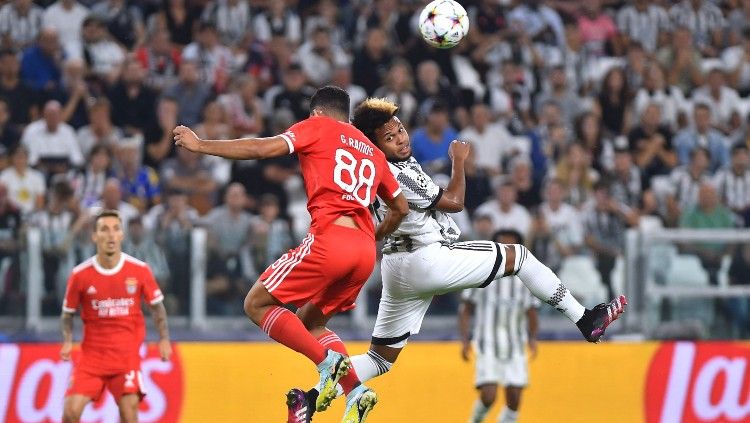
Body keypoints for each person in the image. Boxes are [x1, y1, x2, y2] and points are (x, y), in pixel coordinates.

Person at [287, 98, 627, 423]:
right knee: (519, 256)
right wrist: (459, 160)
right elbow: (454, 201)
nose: (401, 140)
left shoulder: (373, 166)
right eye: (389, 138)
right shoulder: (396, 172)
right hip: (426, 258)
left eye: (401, 130)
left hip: (396, 266)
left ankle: (310, 398)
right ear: (376, 146)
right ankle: (584, 318)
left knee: (380, 359)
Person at [172, 86, 408, 423]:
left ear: (317, 113)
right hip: (363, 252)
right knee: (309, 323)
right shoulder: (372, 150)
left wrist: (201, 145)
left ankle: (328, 364)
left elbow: (261, 147)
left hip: (330, 240)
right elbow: (400, 207)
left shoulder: (317, 126)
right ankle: (355, 391)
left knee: (256, 304)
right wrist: (373, 236)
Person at [60, 209, 171, 423]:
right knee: (70, 412)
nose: (110, 235)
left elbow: (158, 308)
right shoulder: (80, 275)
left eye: (115, 229)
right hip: (92, 358)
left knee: (129, 413)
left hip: (125, 356)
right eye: (104, 229)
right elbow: (67, 314)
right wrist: (66, 340)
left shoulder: (140, 270)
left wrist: (164, 339)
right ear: (94, 236)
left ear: (122, 235)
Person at [459, 229, 539, 423]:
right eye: (502, 246)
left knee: (514, 400)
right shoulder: (482, 275)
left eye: (511, 247)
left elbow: (531, 312)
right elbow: (466, 310)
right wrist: (465, 340)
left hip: (515, 346)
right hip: (487, 344)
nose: (507, 251)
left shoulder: (526, 280)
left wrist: (533, 339)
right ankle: (475, 421)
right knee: (489, 396)